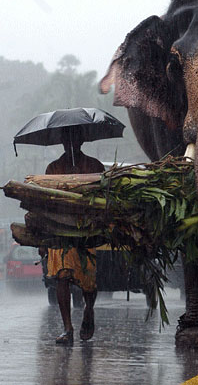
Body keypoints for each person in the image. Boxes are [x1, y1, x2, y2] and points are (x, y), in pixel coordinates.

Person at [45, 126, 105, 345]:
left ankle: (89, 310)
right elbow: (46, 201)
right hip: (60, 231)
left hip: (85, 231)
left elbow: (102, 197)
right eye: (67, 139)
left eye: (75, 138)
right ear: (62, 142)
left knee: (88, 282)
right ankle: (67, 328)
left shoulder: (94, 166)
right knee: (62, 276)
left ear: (82, 141)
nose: (71, 143)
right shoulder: (53, 168)